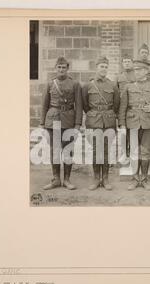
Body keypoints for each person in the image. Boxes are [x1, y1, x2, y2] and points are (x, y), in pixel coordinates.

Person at [119, 60, 150, 191]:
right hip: (132, 122)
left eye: (139, 70)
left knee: (145, 152)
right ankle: (134, 179)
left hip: (148, 123)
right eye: (135, 70)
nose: (136, 72)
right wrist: (122, 124)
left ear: (146, 71)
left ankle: (144, 179)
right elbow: (123, 107)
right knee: (133, 152)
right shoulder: (128, 87)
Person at [39, 56, 83, 190]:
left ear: (68, 69)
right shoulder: (50, 84)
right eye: (59, 67)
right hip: (53, 120)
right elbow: (44, 104)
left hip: (69, 120)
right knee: (54, 150)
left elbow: (79, 105)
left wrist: (77, 124)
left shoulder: (75, 84)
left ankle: (67, 180)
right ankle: (56, 179)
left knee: (68, 150)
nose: (61, 70)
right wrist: (42, 123)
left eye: (64, 67)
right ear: (55, 68)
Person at [82, 57, 120, 191]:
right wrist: (94, 114)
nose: (103, 69)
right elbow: (85, 105)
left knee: (106, 151)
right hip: (94, 121)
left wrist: (108, 114)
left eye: (105, 66)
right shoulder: (88, 86)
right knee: (95, 151)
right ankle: (96, 178)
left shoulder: (113, 85)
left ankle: (105, 178)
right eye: (101, 66)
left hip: (108, 121)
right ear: (96, 67)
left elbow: (116, 105)